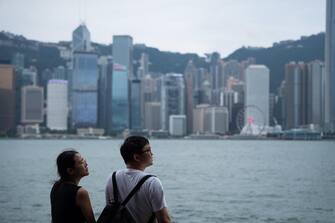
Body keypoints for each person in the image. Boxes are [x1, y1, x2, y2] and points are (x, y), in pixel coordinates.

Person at [105, 136, 171, 223]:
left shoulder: (112, 178)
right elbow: (164, 220)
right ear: (137, 157)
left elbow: (110, 210)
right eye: (148, 150)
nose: (152, 153)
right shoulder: (152, 182)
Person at [50, 150, 96, 223]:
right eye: (81, 162)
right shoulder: (80, 192)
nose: (86, 164)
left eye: (84, 160)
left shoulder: (56, 186)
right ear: (70, 171)